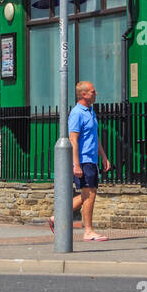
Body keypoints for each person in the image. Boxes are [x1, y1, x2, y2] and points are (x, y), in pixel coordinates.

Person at [49, 81, 112, 242]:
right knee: (89, 194)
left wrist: (103, 156)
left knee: (88, 195)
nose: (95, 93)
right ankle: (88, 231)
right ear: (83, 94)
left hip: (92, 159)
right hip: (83, 159)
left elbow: (94, 136)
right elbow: (73, 139)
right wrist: (76, 164)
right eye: (92, 91)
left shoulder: (90, 111)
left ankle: (57, 218)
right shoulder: (77, 113)